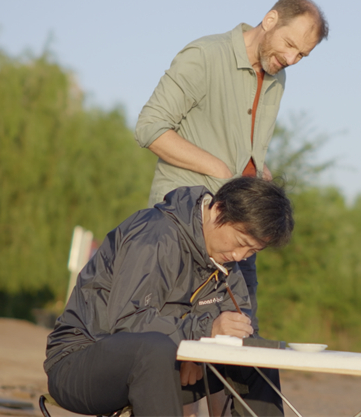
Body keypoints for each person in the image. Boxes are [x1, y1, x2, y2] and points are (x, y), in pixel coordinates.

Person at [134, 0, 328, 336]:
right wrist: (222, 171)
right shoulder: (205, 55)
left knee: (242, 340)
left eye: (302, 55)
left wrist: (257, 169)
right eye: (289, 45)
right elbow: (150, 128)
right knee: (170, 339)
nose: (291, 59)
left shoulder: (277, 76)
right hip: (186, 229)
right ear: (270, 20)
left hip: (242, 233)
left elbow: (241, 143)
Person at [44, 177, 294, 417]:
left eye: (252, 250)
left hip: (166, 364)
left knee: (256, 357)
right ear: (218, 210)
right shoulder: (155, 235)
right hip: (79, 361)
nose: (240, 256)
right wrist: (203, 333)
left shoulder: (228, 264)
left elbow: (235, 332)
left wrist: (196, 352)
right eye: (240, 242)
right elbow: (128, 323)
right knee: (155, 350)